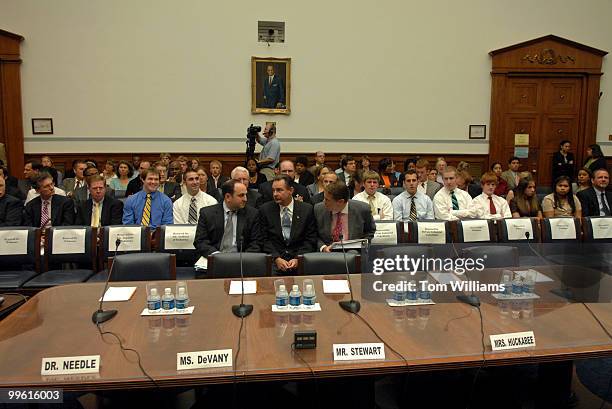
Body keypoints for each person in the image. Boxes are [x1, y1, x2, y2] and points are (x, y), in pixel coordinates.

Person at [259, 175, 317, 274]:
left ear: (291, 190)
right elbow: (264, 239)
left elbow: (310, 239)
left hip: (299, 259)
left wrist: (298, 258)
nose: (275, 194)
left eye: (279, 190)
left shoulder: (306, 209)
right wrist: (276, 258)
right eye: (273, 190)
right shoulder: (265, 210)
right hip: (275, 261)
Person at [193, 179, 262, 257]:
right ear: (228, 197)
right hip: (215, 258)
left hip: (241, 260)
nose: (245, 199)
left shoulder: (252, 214)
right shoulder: (207, 213)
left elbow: (256, 243)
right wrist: (216, 256)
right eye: (241, 195)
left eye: (246, 195)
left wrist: (242, 258)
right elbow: (200, 241)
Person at [314, 182, 375, 252]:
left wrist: (361, 247)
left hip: (354, 252)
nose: (323, 201)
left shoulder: (363, 209)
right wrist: (323, 247)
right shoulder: (319, 209)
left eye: (327, 200)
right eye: (324, 198)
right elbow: (314, 234)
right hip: (327, 253)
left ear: (340, 201)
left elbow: (370, 232)